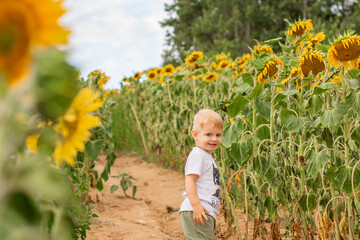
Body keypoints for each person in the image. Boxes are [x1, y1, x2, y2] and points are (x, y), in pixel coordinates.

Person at [180, 109, 223, 240]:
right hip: (198, 210)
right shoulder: (199, 155)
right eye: (208, 134)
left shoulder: (205, 156)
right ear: (195, 135)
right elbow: (190, 180)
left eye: (218, 135)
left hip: (203, 211)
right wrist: (196, 205)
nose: (214, 139)